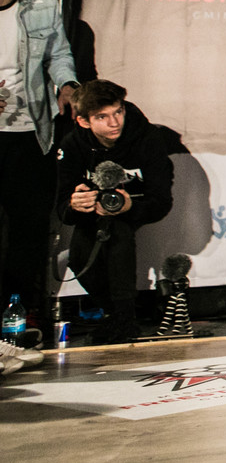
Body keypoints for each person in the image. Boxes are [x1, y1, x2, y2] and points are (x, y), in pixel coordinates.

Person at [54, 80, 174, 342]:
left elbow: (162, 201)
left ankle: (124, 318)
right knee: (79, 257)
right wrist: (75, 205)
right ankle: (118, 313)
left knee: (118, 232)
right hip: (92, 214)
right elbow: (62, 208)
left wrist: (131, 206)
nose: (114, 122)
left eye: (118, 112)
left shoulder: (147, 138)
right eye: (102, 117)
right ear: (84, 121)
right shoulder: (72, 145)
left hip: (132, 209)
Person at [0, 0, 78, 326]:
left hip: (31, 135)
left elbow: (59, 54)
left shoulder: (41, 4)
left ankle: (18, 313)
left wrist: (67, 84)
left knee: (29, 229)